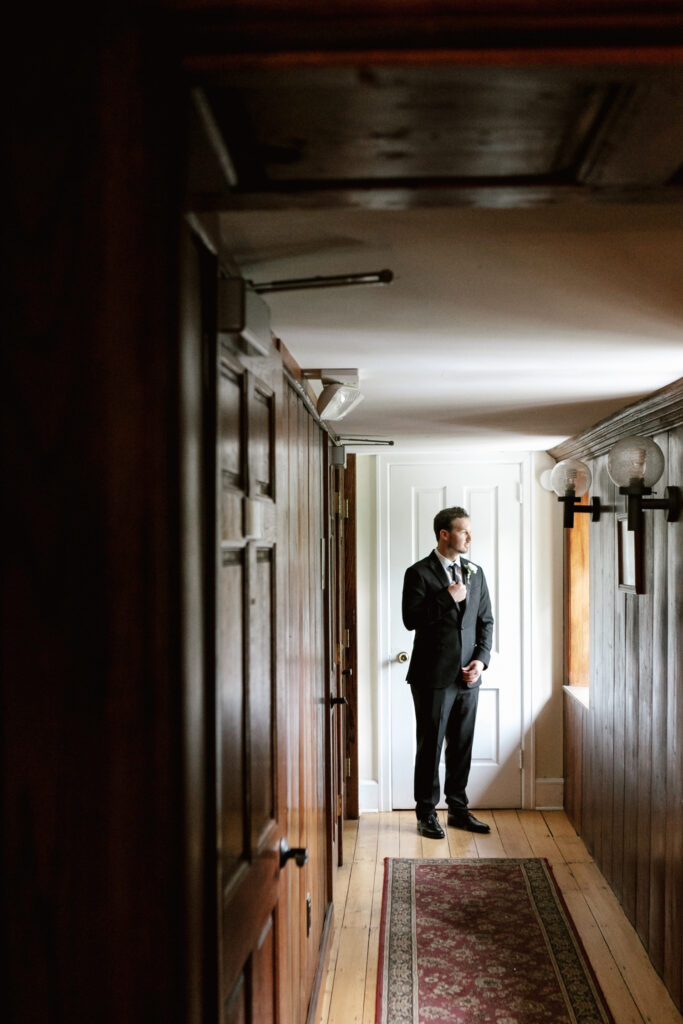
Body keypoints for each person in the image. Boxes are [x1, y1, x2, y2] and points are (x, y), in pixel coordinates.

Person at [401, 506, 494, 838]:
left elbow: (485, 622)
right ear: (444, 534)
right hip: (432, 677)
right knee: (431, 746)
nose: (470, 537)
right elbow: (411, 619)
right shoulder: (419, 573)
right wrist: (446, 597)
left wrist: (480, 662)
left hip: (469, 677)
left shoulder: (476, 572)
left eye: (469, 531)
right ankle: (426, 812)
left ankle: (458, 809)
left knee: (462, 745)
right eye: (463, 531)